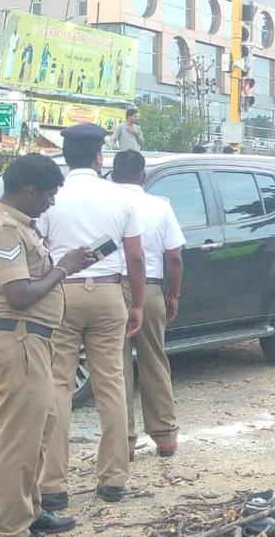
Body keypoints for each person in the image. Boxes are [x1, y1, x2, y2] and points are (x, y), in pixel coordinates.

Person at [0, 155, 92, 537]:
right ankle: (11, 525)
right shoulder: (5, 230)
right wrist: (65, 268)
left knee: (40, 429)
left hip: (29, 339)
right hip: (16, 337)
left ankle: (30, 511)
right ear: (29, 191)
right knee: (20, 439)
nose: (51, 203)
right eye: (48, 195)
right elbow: (19, 294)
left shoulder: (20, 226)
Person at [38, 123, 146, 510]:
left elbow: (40, 251)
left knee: (57, 387)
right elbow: (135, 256)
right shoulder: (119, 197)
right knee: (112, 386)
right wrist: (135, 303)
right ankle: (113, 480)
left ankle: (53, 485)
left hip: (61, 293)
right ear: (100, 156)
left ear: (66, 157)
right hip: (106, 292)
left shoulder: (53, 196)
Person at [112, 151, 185, 461]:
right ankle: (165, 436)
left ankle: (124, 441)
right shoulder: (160, 206)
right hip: (153, 288)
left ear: (112, 175)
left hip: (111, 289)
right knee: (154, 360)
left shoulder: (106, 205)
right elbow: (174, 257)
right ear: (142, 176)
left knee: (117, 366)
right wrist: (173, 295)